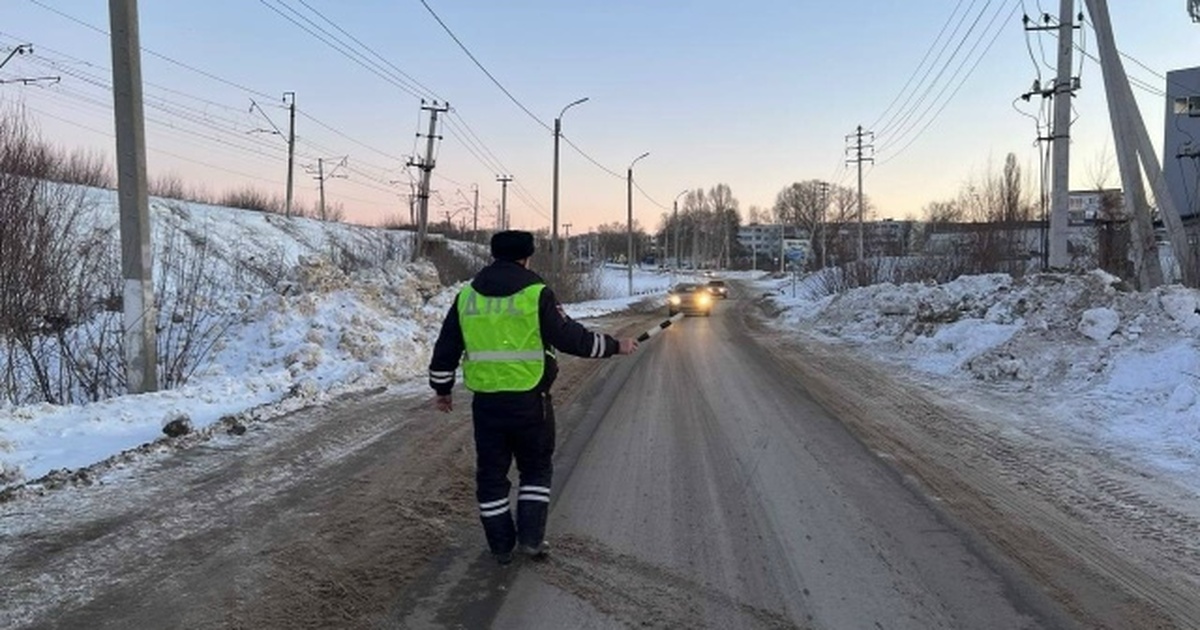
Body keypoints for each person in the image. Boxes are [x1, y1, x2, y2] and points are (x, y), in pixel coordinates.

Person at [428, 230, 638, 565]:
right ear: (527, 256)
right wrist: (616, 346)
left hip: (487, 405)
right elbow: (571, 338)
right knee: (536, 470)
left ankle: (500, 546)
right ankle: (530, 540)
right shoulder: (536, 293)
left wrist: (442, 389)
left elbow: (447, 346)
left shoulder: (467, 295)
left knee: (491, 475)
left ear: (494, 255)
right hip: (530, 401)